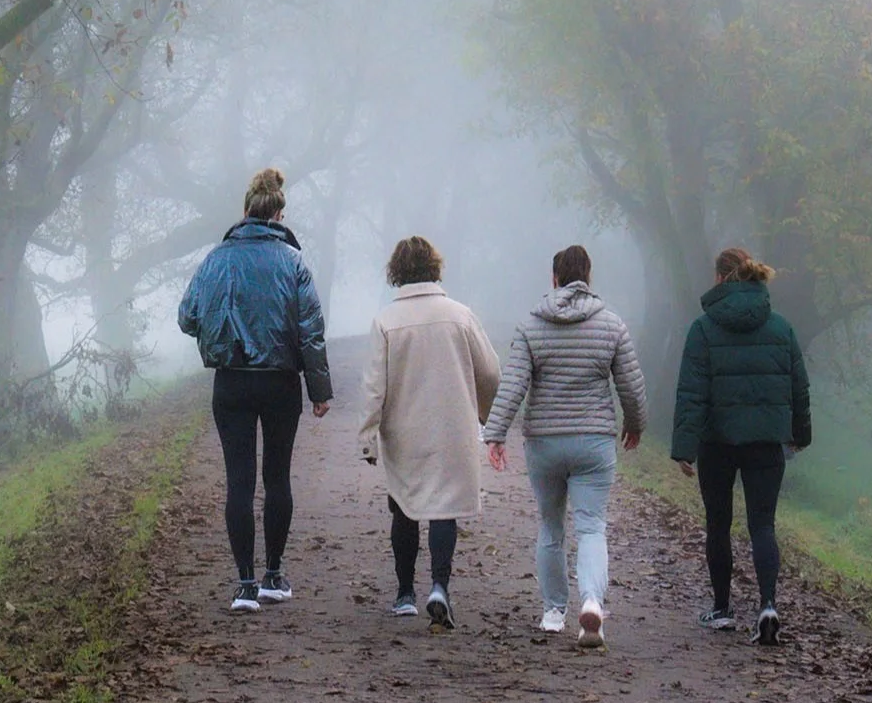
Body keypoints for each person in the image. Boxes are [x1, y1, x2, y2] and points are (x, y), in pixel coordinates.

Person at [177, 167, 333, 612]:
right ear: (279, 214)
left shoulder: (216, 260)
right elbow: (310, 332)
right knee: (277, 477)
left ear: (245, 211)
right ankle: (274, 575)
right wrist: (319, 389)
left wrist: (222, 330)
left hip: (231, 383)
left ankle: (244, 584)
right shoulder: (294, 263)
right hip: (281, 384)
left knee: (239, 482)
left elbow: (187, 317)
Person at [482, 245, 646, 647]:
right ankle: (591, 602)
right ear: (588, 277)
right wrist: (636, 424)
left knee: (550, 526)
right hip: (594, 441)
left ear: (554, 278)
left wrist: (495, 432)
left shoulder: (532, 325)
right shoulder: (610, 325)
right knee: (591, 527)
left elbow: (514, 383)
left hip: (545, 442)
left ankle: (554, 611)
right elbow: (630, 385)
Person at [670, 246, 812, 646]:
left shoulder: (703, 328)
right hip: (766, 443)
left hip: (717, 442)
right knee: (762, 524)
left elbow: (692, 392)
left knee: (719, 523)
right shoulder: (781, 328)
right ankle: (767, 605)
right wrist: (799, 435)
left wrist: (684, 446)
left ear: (719, 279)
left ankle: (722, 609)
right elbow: (798, 387)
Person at [359, 236, 500, 631]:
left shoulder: (386, 321)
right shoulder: (461, 316)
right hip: (451, 428)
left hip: (403, 431)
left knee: (404, 507)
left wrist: (367, 435)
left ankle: (405, 594)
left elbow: (374, 386)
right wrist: (484, 414)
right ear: (435, 268)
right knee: (444, 509)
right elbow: (490, 372)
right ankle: (439, 586)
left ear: (396, 273)